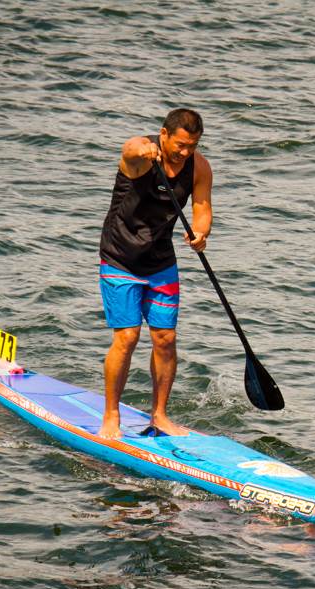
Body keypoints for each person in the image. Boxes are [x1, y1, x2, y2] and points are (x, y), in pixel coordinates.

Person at [97, 108, 212, 438]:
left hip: (161, 261)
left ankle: (159, 416)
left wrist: (201, 233)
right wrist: (142, 148)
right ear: (164, 134)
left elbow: (202, 208)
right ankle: (111, 416)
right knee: (128, 337)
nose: (185, 152)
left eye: (192, 145)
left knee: (166, 339)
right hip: (120, 258)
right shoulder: (142, 157)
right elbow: (129, 149)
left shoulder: (199, 167)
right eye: (180, 144)